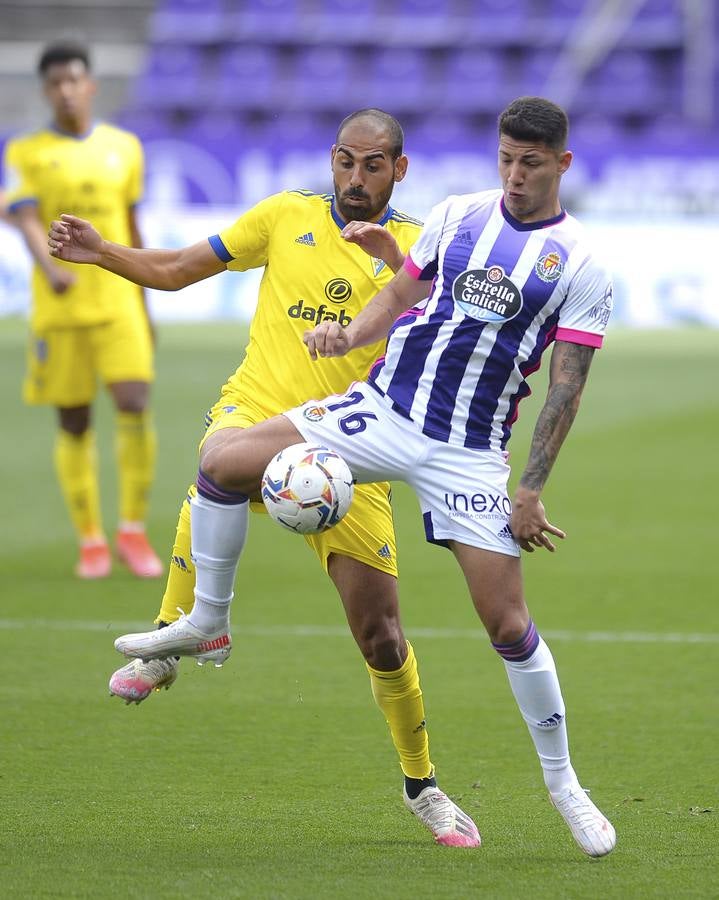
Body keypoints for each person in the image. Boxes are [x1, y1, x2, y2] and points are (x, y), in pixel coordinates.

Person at [48, 108, 481, 848]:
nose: (354, 177)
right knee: (218, 462)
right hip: (256, 410)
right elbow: (182, 270)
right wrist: (102, 253)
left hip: (350, 449)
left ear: (398, 171)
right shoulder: (284, 215)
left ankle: (423, 785)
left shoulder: (417, 249)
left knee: (381, 637)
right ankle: (176, 636)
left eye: (372, 164)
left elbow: (455, 330)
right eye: (344, 160)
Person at [3, 41, 162, 579]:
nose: (65, 90)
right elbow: (25, 216)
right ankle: (91, 538)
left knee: (135, 402)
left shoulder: (124, 147)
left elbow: (132, 224)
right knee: (74, 420)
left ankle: (133, 531)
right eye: (55, 83)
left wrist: (147, 297)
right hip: (61, 307)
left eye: (74, 80)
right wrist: (49, 270)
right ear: (46, 90)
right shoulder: (25, 151)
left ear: (90, 84)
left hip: (118, 300)